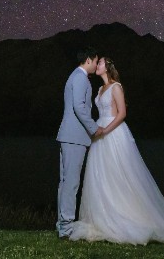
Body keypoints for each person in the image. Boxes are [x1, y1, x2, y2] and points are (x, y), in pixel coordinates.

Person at [69, 56, 164, 245]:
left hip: (113, 133)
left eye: (101, 62)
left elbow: (122, 113)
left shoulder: (116, 87)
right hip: (99, 134)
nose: (98, 65)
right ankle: (102, 217)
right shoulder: (99, 89)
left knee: (121, 174)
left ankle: (129, 215)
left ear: (108, 67)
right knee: (102, 176)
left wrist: (105, 130)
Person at [55, 48, 105, 238]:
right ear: (89, 60)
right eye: (96, 61)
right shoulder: (80, 78)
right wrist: (94, 128)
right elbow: (79, 107)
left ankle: (62, 225)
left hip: (69, 136)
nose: (96, 64)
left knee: (66, 182)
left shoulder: (75, 76)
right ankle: (66, 226)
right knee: (72, 183)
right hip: (74, 137)